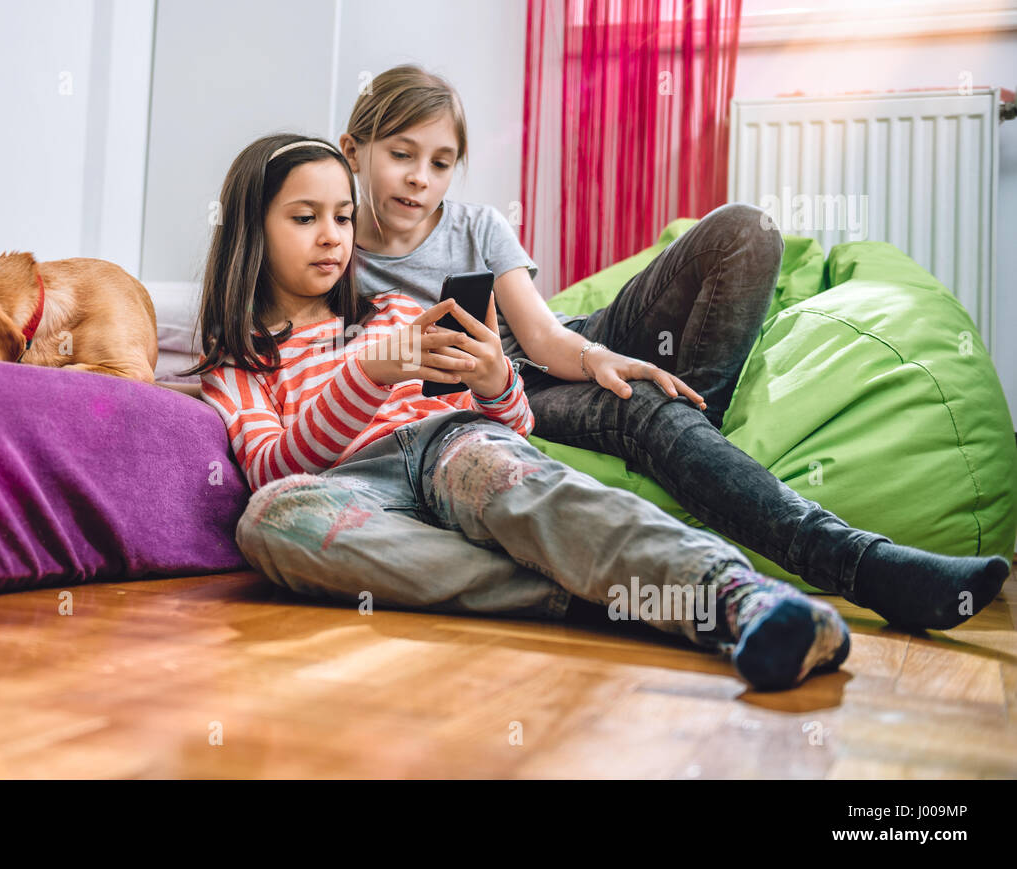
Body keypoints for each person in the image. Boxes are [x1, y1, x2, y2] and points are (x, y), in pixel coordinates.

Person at [341, 63, 1009, 631]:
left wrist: (595, 355)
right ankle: (861, 563)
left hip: (563, 341)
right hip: (510, 394)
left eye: (441, 161)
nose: (420, 179)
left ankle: (698, 438)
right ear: (352, 150)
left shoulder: (477, 226)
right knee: (644, 406)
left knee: (746, 230)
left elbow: (543, 335)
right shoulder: (330, 251)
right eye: (401, 154)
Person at [183, 131, 856, 691]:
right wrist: (365, 370)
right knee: (269, 520)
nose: (332, 236)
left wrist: (496, 378)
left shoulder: (389, 312)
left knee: (520, 484)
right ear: (252, 228)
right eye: (305, 218)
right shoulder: (238, 362)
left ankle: (740, 596)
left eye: (341, 216)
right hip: (351, 486)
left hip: (443, 442)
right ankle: (603, 598)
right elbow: (276, 467)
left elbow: (515, 429)